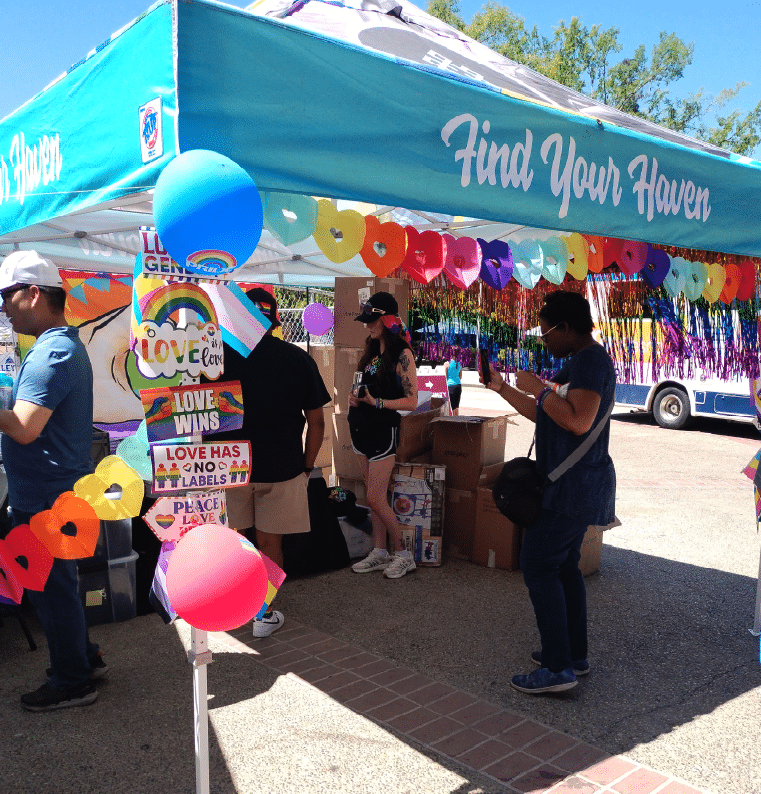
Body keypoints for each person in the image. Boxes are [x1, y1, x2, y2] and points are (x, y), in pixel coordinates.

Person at [481, 290, 616, 694]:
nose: (544, 341)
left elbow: (578, 421)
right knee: (563, 566)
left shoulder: (591, 362)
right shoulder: (576, 363)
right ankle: (573, 654)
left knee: (538, 564)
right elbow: (547, 416)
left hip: (573, 487)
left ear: (567, 327)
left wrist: (540, 389)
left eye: (546, 334)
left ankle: (558, 669)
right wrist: (504, 388)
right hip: (571, 485)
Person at [0, 250, 106, 712]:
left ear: (33, 293)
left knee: (52, 590)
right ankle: (83, 657)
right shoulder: (53, 345)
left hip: (48, 497)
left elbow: (24, 427)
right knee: (59, 584)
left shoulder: (55, 349)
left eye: (7, 295)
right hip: (51, 493)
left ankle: (73, 680)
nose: (3, 306)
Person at [204, 287, 330, 637]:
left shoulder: (215, 360)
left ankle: (232, 605)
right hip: (283, 466)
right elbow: (317, 422)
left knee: (235, 541)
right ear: (273, 318)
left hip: (228, 465)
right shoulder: (296, 358)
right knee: (270, 542)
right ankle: (263, 613)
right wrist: (306, 467)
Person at [348, 291, 419, 579]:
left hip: (383, 431)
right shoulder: (371, 352)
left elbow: (411, 401)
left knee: (377, 497)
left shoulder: (403, 354)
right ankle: (380, 551)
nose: (367, 325)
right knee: (371, 495)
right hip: (361, 428)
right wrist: (357, 398)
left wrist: (377, 403)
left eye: (373, 320)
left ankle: (404, 553)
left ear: (387, 320)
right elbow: (364, 388)